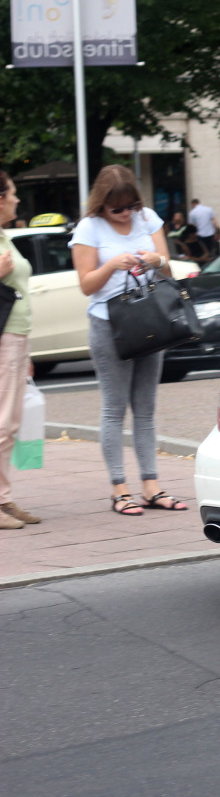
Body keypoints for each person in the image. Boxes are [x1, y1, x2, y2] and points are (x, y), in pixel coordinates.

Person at [70, 165, 189, 516]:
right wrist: (112, 266)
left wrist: (157, 259)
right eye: (116, 209)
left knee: (147, 408)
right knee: (113, 407)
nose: (125, 214)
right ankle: (119, 488)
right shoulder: (89, 228)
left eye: (130, 206)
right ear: (101, 205)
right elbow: (86, 285)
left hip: (150, 320)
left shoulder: (147, 218)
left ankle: (151, 485)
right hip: (109, 324)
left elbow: (166, 272)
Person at [0, 171, 39, 529]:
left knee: (9, 422)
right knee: (1, 422)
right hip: (4, 337)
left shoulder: (4, 235)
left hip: (16, 336)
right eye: (12, 195)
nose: (16, 200)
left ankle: (5, 499)